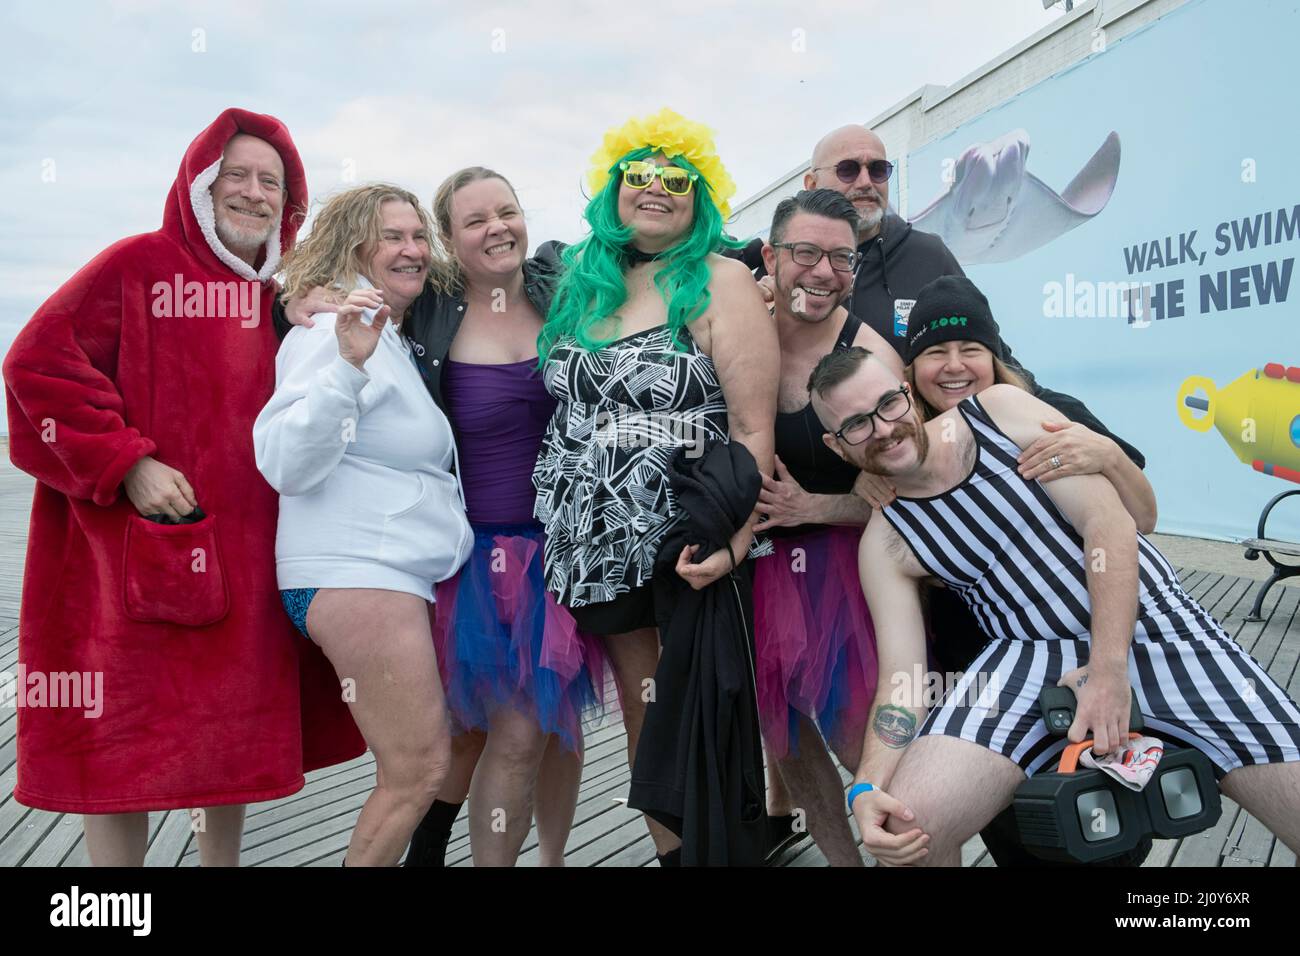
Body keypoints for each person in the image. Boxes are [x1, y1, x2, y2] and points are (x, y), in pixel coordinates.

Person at [2, 108, 363, 867]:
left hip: (247, 560)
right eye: (236, 175)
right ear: (200, 185)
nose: (254, 193)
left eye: (272, 181)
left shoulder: (280, 297)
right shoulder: (137, 266)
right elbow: (37, 367)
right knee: (116, 744)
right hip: (125, 554)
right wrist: (126, 461)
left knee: (224, 736)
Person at [805, 346, 1300, 866]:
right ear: (838, 447)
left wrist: (1109, 667)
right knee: (909, 827)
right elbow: (901, 684)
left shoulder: (998, 411)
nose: (882, 429)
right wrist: (865, 788)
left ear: (909, 395)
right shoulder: (886, 540)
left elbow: (1107, 524)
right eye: (857, 425)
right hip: (1027, 651)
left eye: (888, 404)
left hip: (1155, 624)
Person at [278, 168, 603, 868]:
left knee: (543, 726)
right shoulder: (428, 311)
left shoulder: (561, 291)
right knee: (452, 745)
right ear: (455, 245)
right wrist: (310, 301)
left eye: (507, 211)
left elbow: (641, 264)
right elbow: (291, 437)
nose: (497, 228)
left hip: (553, 547)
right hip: (454, 563)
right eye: (471, 221)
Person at [532, 108, 779, 864]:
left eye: (678, 179)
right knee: (648, 711)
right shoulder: (583, 281)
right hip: (591, 542)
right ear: (613, 189)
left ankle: (723, 849)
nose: (656, 190)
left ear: (700, 197)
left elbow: (753, 431)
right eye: (638, 175)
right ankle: (677, 856)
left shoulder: (720, 279)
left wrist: (736, 545)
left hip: (685, 536)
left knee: (696, 709)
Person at [859, 274, 1157, 866]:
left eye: (971, 349)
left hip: (1096, 639)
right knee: (1011, 825)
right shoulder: (894, 444)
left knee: (1104, 827)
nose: (954, 366)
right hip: (974, 661)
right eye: (934, 353)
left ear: (995, 356)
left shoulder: (1046, 414)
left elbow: (1139, 519)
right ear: (910, 372)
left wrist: (1108, 453)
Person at [253, 183, 473, 866]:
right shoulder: (331, 335)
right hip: (357, 575)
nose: (412, 250)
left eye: (418, 237)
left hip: (383, 576)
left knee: (421, 760)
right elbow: (285, 459)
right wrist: (345, 366)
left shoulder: (389, 335)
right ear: (354, 249)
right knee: (416, 770)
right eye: (392, 237)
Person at [747, 189, 895, 866]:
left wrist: (818, 508)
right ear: (772, 256)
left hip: (844, 575)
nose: (823, 271)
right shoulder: (735, 327)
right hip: (748, 571)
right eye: (806, 252)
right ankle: (841, 859)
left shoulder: (869, 360)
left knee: (862, 742)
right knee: (785, 737)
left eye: (842, 257)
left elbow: (913, 496)